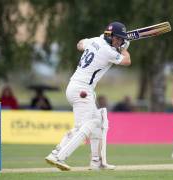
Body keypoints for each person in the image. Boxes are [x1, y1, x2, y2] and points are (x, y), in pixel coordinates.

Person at [45, 21, 131, 171]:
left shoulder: (95, 41)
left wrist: (107, 44)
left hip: (74, 87)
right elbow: (127, 61)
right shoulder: (108, 51)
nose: (119, 41)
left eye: (121, 39)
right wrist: (124, 49)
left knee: (97, 121)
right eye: (117, 38)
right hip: (83, 90)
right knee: (89, 125)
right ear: (109, 36)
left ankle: (96, 162)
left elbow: (79, 44)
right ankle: (60, 156)